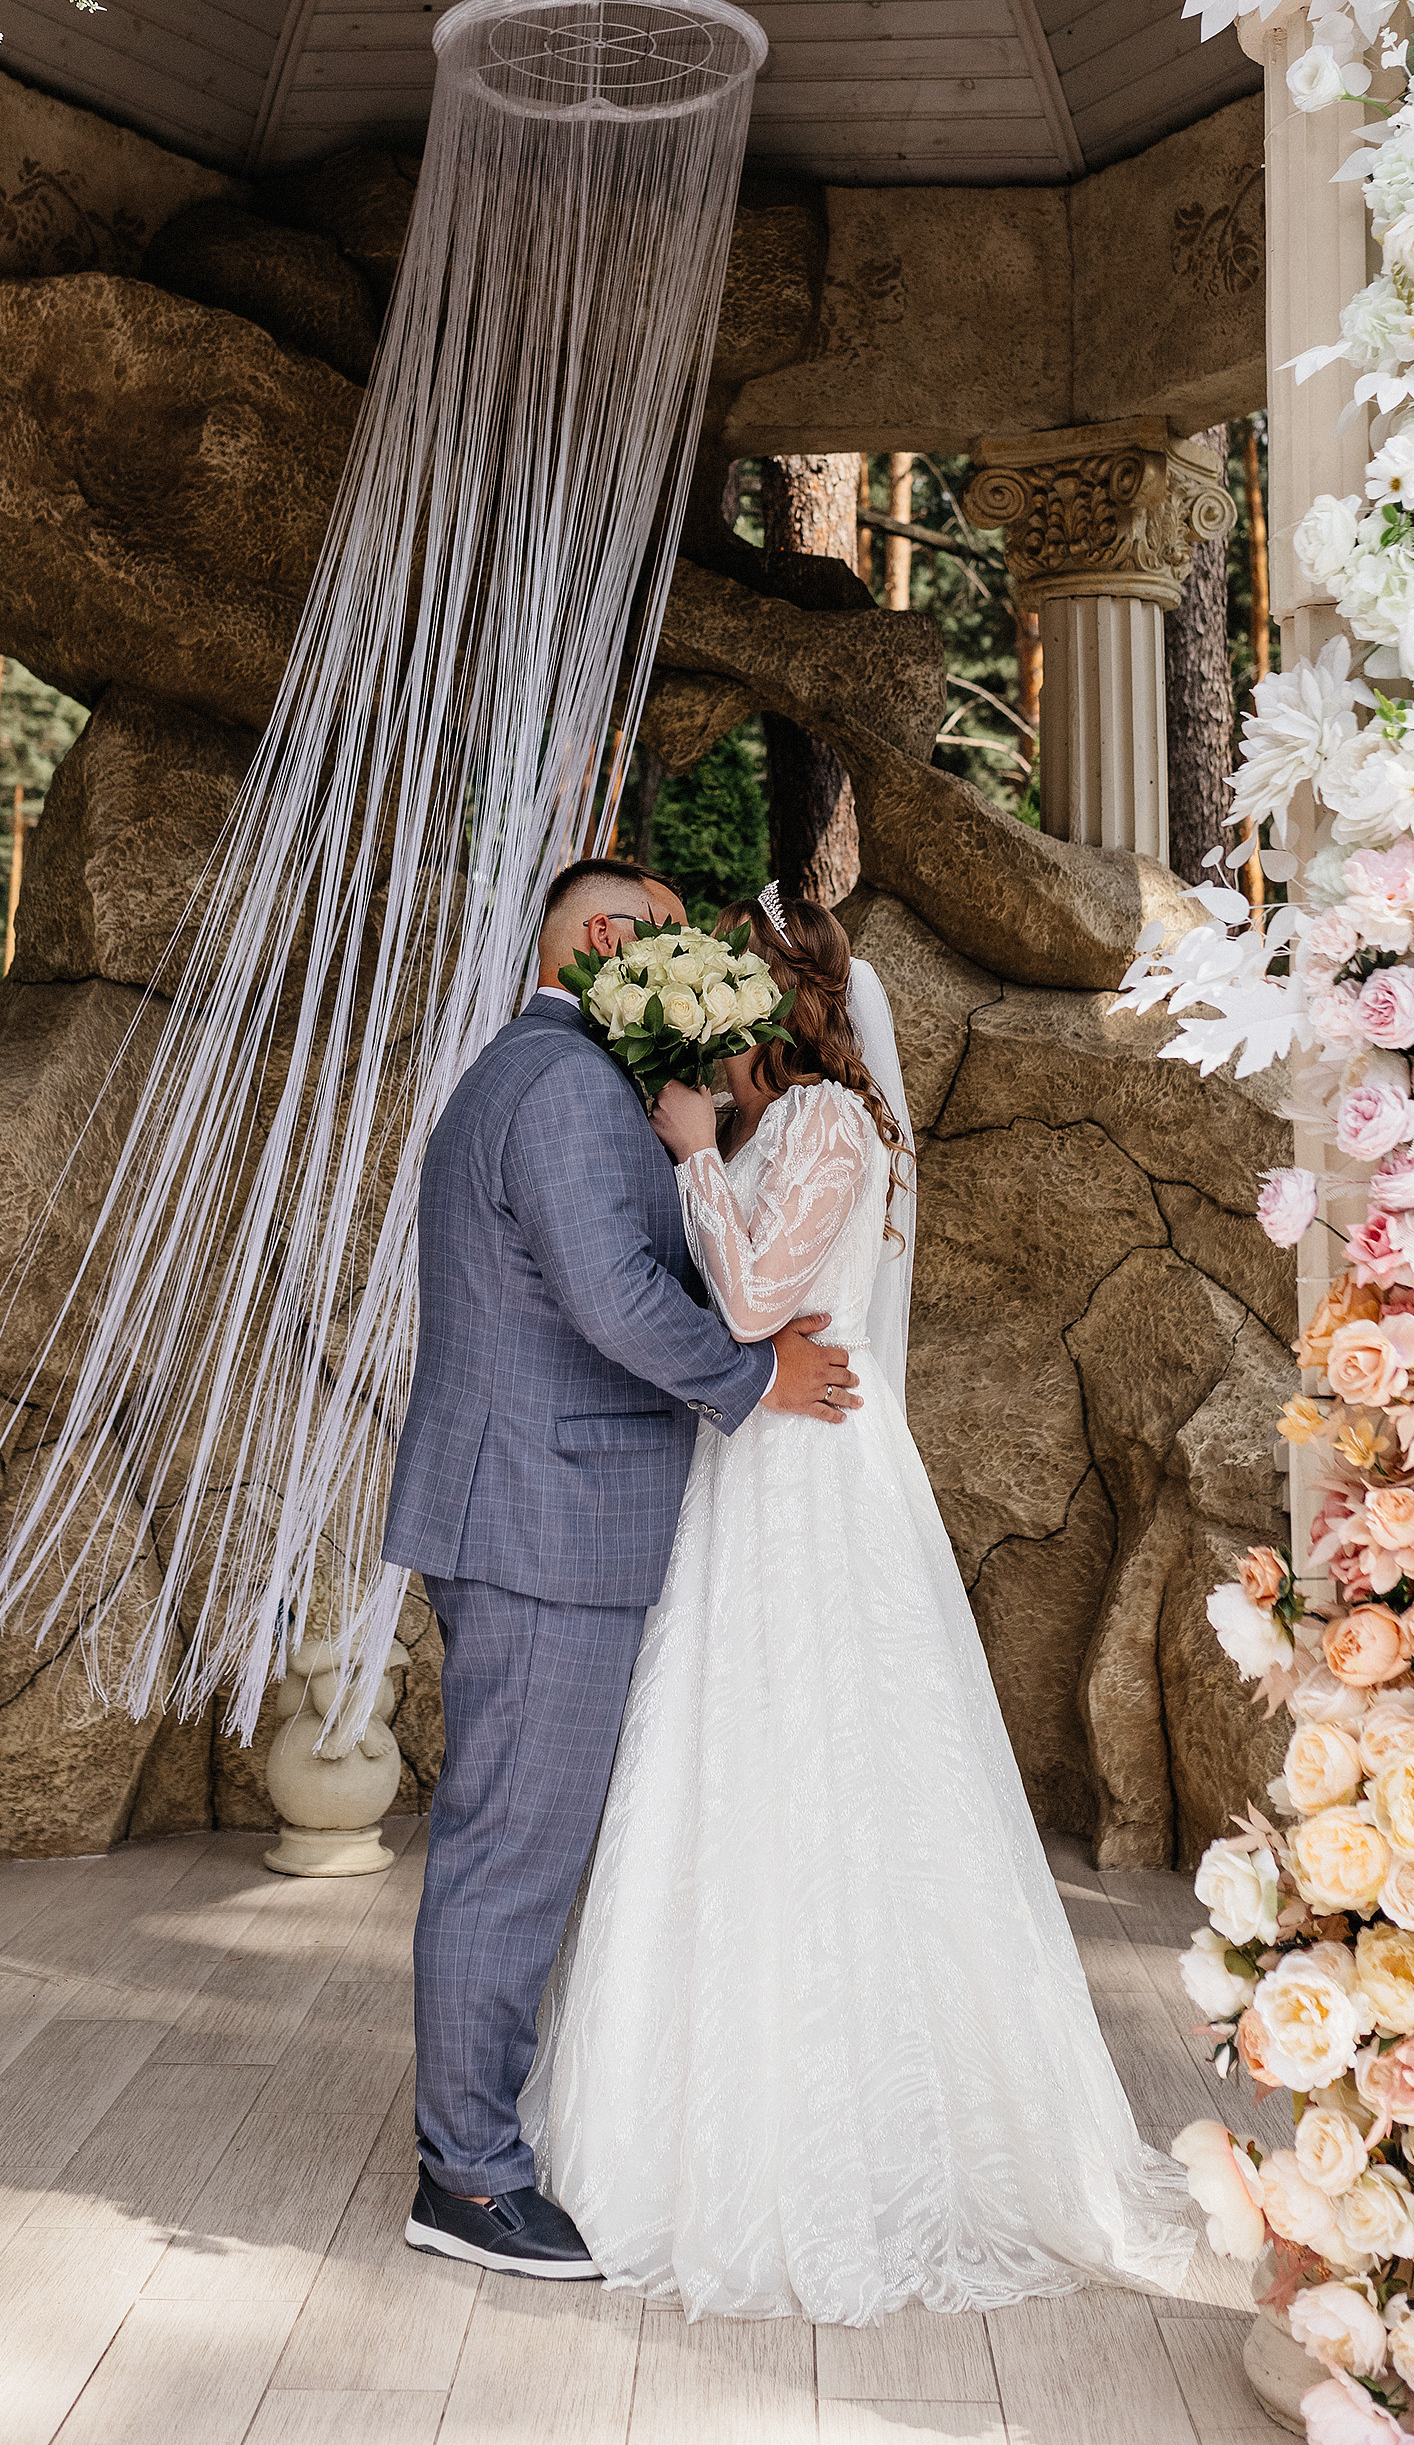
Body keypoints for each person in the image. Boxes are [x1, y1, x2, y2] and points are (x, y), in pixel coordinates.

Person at [517, 886, 1195, 2322]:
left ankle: (867, 2140)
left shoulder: (825, 1119)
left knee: (835, 1760)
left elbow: (757, 1301)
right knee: (737, 1766)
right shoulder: (793, 1126)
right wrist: (715, 1153)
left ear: (788, 1004)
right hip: (761, 1465)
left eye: (730, 995)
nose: (709, 1031)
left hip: (812, 1478)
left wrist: (695, 1160)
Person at [385, 857, 860, 2281]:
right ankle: (465, 2180)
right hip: (544, 1519)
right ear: (602, 942)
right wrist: (753, 1373)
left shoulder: (546, 1073)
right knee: (511, 1857)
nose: (704, 977)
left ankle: (474, 2136)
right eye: (672, 946)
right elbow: (609, 1295)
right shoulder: (570, 1085)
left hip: (538, 1510)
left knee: (511, 1847)